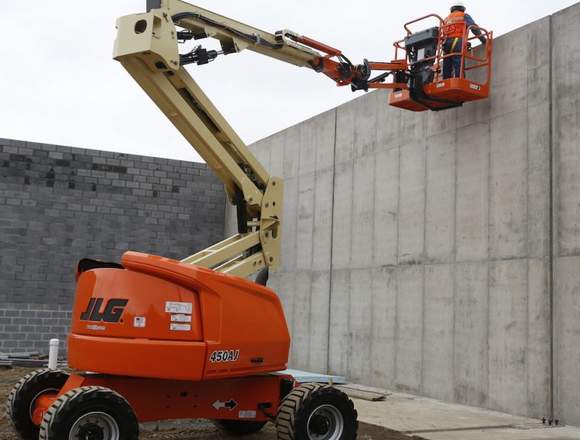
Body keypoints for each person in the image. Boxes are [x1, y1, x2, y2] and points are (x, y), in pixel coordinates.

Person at [442, 1, 487, 79]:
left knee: (447, 64)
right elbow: (473, 28)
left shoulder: (446, 19)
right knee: (458, 62)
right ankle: (459, 80)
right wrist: (483, 40)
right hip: (457, 41)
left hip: (446, 44)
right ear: (462, 9)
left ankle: (445, 82)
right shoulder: (464, 15)